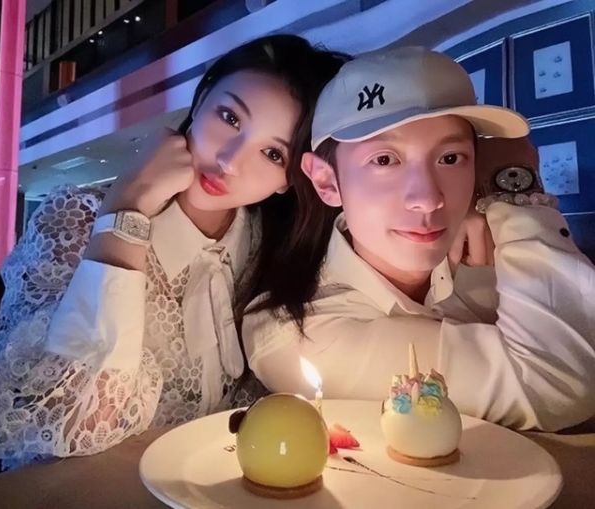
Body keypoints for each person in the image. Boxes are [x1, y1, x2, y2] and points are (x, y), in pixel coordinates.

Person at [0, 34, 348, 468]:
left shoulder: (274, 251)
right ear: (200, 101)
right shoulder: (76, 219)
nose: (230, 161)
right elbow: (69, 422)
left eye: (273, 153)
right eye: (230, 117)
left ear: (289, 180)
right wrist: (127, 208)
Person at [242, 47, 595, 432]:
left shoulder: (499, 242)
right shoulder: (293, 332)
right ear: (327, 181)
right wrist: (514, 184)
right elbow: (560, 387)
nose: (428, 198)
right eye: (384, 160)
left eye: (450, 158)